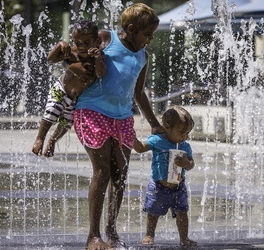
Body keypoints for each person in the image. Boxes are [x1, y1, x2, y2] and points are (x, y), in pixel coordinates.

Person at [72, 3, 164, 249]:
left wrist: (154, 124)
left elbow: (139, 93)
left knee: (120, 175)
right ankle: (93, 236)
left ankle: (111, 231)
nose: (150, 39)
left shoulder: (143, 56)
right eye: (147, 34)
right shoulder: (105, 38)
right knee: (102, 172)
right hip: (92, 111)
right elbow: (76, 53)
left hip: (122, 118)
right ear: (131, 29)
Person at [32, 20, 106, 157]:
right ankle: (40, 138)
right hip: (61, 89)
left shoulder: (98, 55)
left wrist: (97, 58)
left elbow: (101, 74)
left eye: (87, 43)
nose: (82, 47)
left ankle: (53, 140)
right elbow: (50, 60)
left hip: (76, 98)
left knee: (66, 122)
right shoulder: (71, 52)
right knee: (52, 111)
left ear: (96, 41)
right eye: (78, 43)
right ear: (73, 40)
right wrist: (60, 45)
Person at [133, 106, 197, 247]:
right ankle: (149, 234)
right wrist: (130, 136)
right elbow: (139, 148)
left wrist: (187, 163)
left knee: (182, 213)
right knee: (153, 213)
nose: (185, 137)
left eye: (187, 133)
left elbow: (191, 164)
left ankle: (184, 238)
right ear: (167, 127)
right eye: (182, 132)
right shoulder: (157, 140)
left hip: (179, 186)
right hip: (158, 186)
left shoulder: (185, 146)